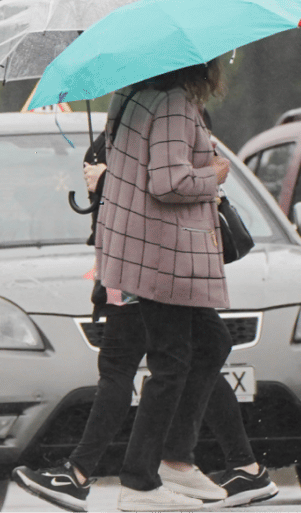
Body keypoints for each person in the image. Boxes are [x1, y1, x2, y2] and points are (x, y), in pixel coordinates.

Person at [11, 124, 277, 511]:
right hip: (141, 266)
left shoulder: (160, 118)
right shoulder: (133, 127)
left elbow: (168, 185)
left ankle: (105, 473)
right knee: (201, 349)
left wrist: (109, 182)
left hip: (148, 266)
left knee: (159, 360)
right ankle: (228, 465)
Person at [82, 58, 237, 511]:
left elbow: (129, 175)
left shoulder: (128, 98)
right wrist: (214, 176)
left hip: (135, 248)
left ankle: (174, 459)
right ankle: (141, 481)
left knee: (211, 344)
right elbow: (168, 181)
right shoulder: (173, 102)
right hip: (165, 253)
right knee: (172, 362)